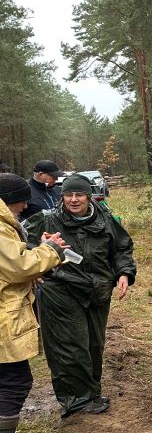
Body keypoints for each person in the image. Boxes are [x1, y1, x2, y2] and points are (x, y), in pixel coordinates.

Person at [24, 173, 137, 418]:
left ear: (89, 196)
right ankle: (76, 400)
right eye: (68, 194)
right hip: (60, 290)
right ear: (62, 195)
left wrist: (124, 273)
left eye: (79, 194)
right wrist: (36, 264)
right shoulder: (47, 220)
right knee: (69, 345)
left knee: (94, 344)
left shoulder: (105, 219)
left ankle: (91, 392)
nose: (74, 200)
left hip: (98, 290)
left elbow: (122, 248)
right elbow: (20, 245)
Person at [0, 173, 66, 433]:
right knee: (14, 381)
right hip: (4, 315)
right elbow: (19, 266)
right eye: (21, 199)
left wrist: (38, 251)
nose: (26, 205)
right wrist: (51, 251)